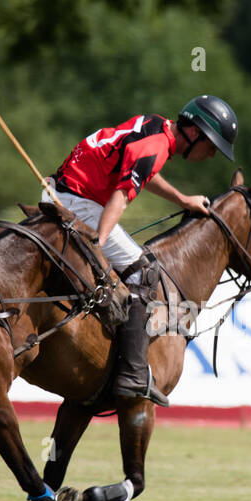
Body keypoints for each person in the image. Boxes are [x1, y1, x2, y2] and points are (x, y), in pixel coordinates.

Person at [41, 95, 238, 406]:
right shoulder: (156, 147)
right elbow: (119, 198)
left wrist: (183, 200)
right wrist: (97, 245)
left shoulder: (157, 127)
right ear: (195, 133)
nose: (211, 155)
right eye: (212, 146)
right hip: (77, 201)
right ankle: (133, 373)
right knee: (144, 271)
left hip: (62, 191)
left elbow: (144, 173)